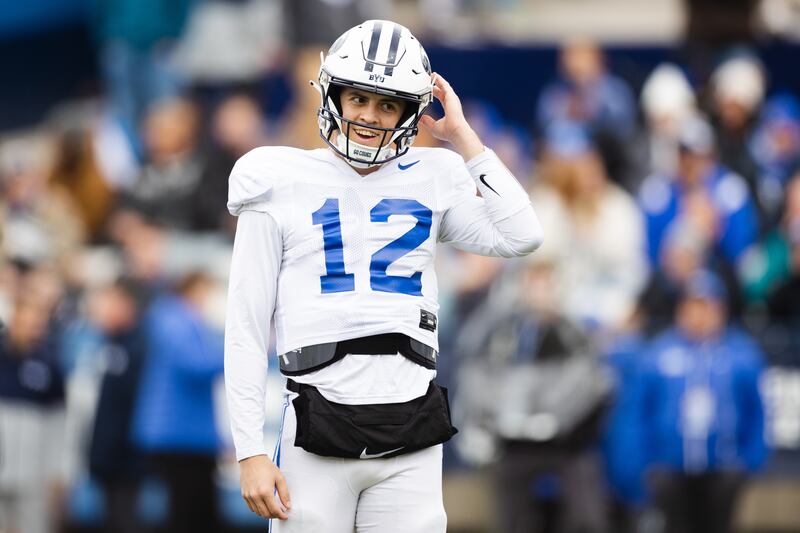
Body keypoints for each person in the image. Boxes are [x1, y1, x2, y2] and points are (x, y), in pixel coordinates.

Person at [224, 20, 544, 532]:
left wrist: (463, 138)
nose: (369, 117)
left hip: (411, 429)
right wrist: (249, 450)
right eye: (358, 99)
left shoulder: (434, 174)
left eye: (388, 104)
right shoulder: (277, 178)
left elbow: (521, 234)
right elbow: (245, 322)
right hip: (316, 423)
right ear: (333, 95)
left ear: (412, 112)